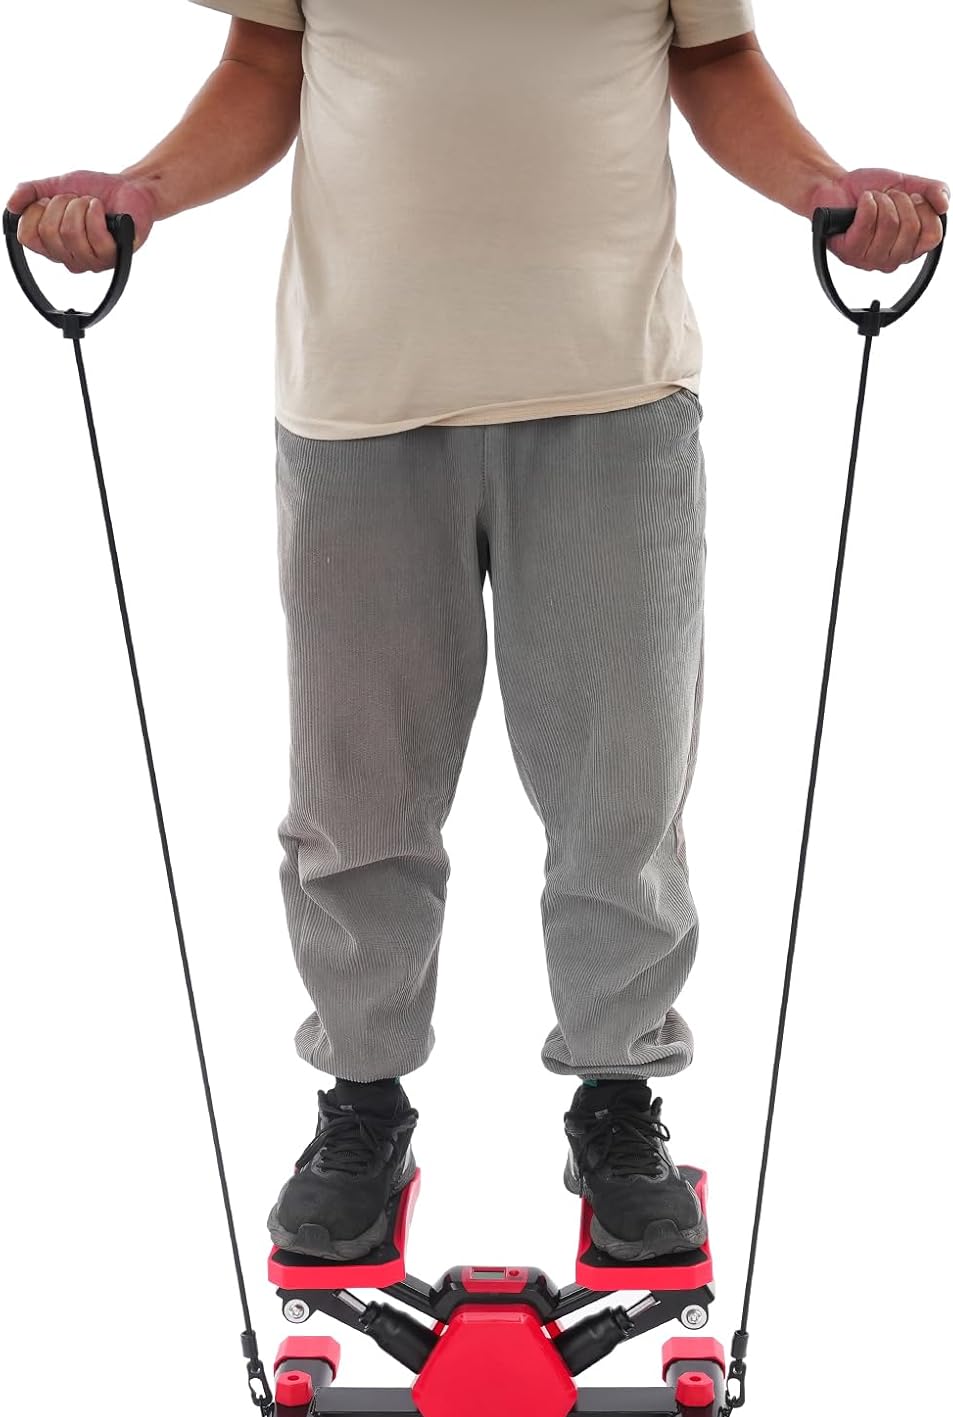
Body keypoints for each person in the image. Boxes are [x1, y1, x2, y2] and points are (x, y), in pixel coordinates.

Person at [9, 2, 946, 1266]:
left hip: (611, 391)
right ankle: (362, 1104)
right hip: (358, 399)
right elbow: (262, 59)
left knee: (622, 792)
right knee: (355, 796)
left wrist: (822, 189)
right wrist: (146, 190)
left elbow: (717, 58)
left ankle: (617, 1098)